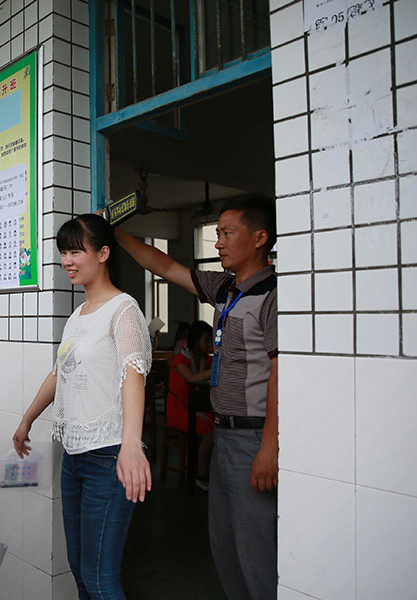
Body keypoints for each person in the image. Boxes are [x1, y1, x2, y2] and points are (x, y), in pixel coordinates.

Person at [115, 196, 278, 600]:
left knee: (255, 549)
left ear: (260, 238)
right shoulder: (224, 287)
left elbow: (281, 372)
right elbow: (164, 266)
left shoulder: (274, 295)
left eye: (227, 233)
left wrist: (270, 448)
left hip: (254, 438)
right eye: (217, 233)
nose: (218, 243)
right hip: (224, 436)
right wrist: (113, 233)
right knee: (224, 544)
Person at [13, 214, 151, 600]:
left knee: (101, 576)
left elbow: (133, 374)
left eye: (76, 251)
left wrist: (131, 444)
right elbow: (59, 374)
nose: (67, 260)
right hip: (74, 459)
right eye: (63, 252)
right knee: (79, 568)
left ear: (104, 253)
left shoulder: (124, 310)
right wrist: (27, 419)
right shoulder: (77, 316)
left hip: (109, 457)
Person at [167, 320, 214, 490]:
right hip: (179, 410)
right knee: (211, 431)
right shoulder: (180, 359)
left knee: (218, 424)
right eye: (206, 340)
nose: (209, 344)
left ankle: (205, 472)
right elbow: (191, 378)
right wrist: (217, 366)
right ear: (196, 340)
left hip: (194, 408)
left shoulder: (203, 359)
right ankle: (201, 476)